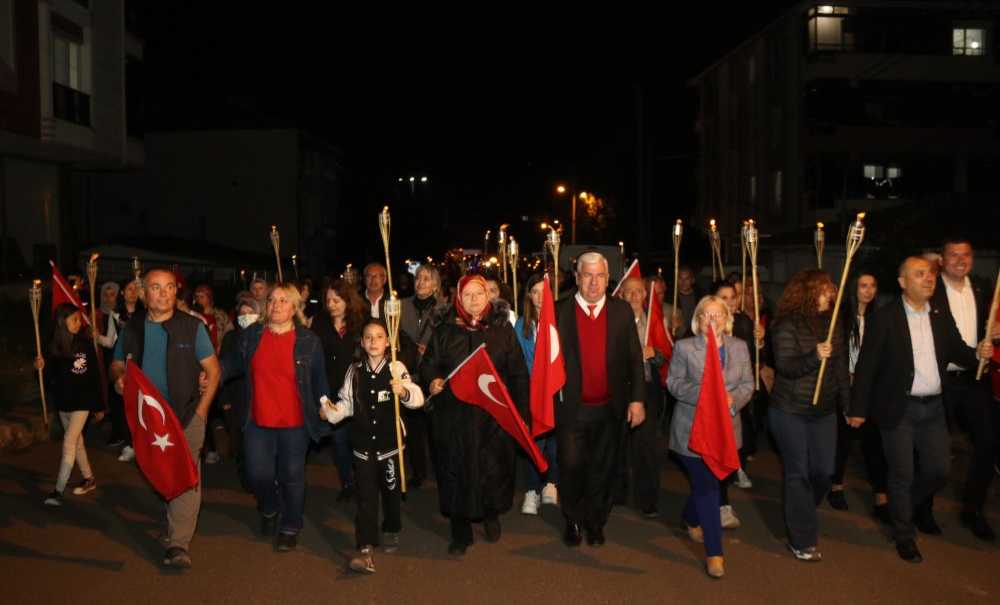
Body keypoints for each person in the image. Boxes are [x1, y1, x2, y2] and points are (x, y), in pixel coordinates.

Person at [849, 257, 992, 563]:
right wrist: (857, 408)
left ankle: (902, 508)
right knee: (902, 473)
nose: (928, 279)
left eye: (929, 274)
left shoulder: (940, 315)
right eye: (919, 274)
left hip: (934, 409)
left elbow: (959, 353)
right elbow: (866, 367)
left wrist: (979, 353)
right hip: (898, 409)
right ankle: (904, 535)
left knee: (938, 469)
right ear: (903, 282)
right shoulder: (885, 318)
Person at [111, 268, 221, 569]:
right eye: (156, 288)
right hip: (149, 421)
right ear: (144, 294)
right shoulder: (131, 328)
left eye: (170, 287)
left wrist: (201, 412)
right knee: (160, 470)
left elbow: (213, 371)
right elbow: (118, 363)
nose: (164, 293)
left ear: (176, 292)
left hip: (186, 414)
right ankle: (174, 523)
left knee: (186, 476)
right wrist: (119, 378)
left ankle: (178, 543)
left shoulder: (192, 327)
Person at [421, 274, 529, 556]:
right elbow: (429, 364)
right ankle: (460, 529)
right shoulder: (445, 330)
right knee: (456, 471)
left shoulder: (502, 330)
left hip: (491, 415)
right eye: (467, 295)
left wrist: (520, 411)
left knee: (492, 470)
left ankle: (490, 515)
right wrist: (432, 378)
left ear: (488, 297)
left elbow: (517, 372)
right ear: (458, 297)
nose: (473, 300)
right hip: (454, 416)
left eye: (478, 294)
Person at [219, 283, 332, 553]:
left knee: (292, 476)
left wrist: (326, 407)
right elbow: (231, 364)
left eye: (283, 301)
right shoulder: (251, 336)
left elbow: (319, 381)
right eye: (271, 300)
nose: (276, 305)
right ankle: (269, 507)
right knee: (257, 474)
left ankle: (290, 525)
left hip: (295, 424)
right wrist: (211, 374)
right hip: (258, 421)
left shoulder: (308, 341)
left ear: (294, 308)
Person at [554, 252, 645, 547]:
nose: (594, 283)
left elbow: (634, 360)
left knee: (602, 469)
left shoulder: (621, 312)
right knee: (571, 467)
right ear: (577, 277)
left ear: (608, 279)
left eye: (600, 276)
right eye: (588, 275)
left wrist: (637, 400)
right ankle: (573, 519)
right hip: (571, 409)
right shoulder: (558, 312)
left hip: (610, 408)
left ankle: (596, 521)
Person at [320, 318, 425, 574]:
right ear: (362, 343)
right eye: (368, 337)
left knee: (391, 492)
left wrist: (403, 392)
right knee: (365, 498)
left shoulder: (396, 367)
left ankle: (391, 526)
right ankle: (365, 545)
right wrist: (331, 413)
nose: (373, 341)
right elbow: (346, 403)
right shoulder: (354, 371)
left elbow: (418, 398)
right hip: (363, 446)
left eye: (379, 336)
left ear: (387, 342)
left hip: (390, 447)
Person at [667, 295, 754, 578]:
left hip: (726, 431)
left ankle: (691, 518)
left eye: (717, 315)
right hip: (692, 431)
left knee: (708, 483)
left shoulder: (740, 347)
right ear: (697, 320)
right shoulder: (684, 348)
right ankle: (715, 553)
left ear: (727, 320)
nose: (712, 320)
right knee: (708, 488)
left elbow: (747, 384)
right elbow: (673, 383)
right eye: (706, 315)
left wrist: (731, 399)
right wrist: (706, 395)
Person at [769, 269, 849, 562]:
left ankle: (800, 510)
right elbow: (786, 366)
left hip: (823, 411)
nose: (832, 294)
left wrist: (849, 404)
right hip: (789, 410)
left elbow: (840, 368)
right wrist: (814, 355)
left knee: (824, 473)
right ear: (810, 292)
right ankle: (801, 539)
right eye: (827, 289)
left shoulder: (833, 323)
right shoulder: (785, 325)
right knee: (798, 474)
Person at [929, 238, 997, 541]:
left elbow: (989, 328)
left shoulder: (983, 290)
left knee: (988, 443)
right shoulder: (931, 289)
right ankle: (923, 507)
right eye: (953, 254)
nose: (960, 259)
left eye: (966, 254)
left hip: (975, 378)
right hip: (940, 379)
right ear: (942, 259)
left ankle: (973, 510)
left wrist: (995, 332)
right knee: (934, 451)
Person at [827, 272, 889, 523]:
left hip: (872, 387)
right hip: (847, 384)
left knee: (874, 440)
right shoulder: (841, 318)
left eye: (873, 285)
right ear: (854, 289)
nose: (868, 290)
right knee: (842, 439)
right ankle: (836, 485)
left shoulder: (880, 318)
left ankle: (881, 494)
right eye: (863, 285)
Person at [37, 304, 105, 506]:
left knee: (69, 442)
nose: (79, 323)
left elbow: (95, 376)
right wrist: (39, 368)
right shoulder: (53, 346)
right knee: (77, 443)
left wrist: (99, 406)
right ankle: (89, 478)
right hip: (63, 403)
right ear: (62, 321)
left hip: (82, 402)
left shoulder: (85, 345)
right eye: (74, 319)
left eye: (79, 319)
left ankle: (57, 491)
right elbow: (49, 379)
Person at [310, 279, 365, 502]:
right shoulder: (320, 323)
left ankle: (365, 482)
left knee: (360, 441)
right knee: (340, 441)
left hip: (358, 391)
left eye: (337, 300)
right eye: (328, 300)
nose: (331, 304)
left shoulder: (361, 322)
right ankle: (347, 483)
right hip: (332, 390)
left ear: (348, 300)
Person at [616, 277, 666, 518]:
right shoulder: (613, 322)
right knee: (618, 444)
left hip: (647, 390)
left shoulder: (656, 321)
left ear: (646, 295)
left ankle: (648, 499)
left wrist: (654, 353)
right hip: (619, 390)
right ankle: (617, 493)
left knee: (646, 446)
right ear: (621, 295)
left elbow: (667, 355)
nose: (635, 297)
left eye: (639, 292)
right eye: (629, 292)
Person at [712, 281, 760, 522]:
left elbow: (748, 366)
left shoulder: (743, 323)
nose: (729, 302)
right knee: (714, 458)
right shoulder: (703, 326)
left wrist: (760, 342)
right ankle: (721, 505)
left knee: (730, 456)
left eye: (732, 297)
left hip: (733, 405)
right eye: (723, 297)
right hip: (709, 409)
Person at [514, 274, 559, 515]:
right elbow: (518, 362)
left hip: (558, 392)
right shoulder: (522, 325)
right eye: (535, 292)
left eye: (545, 291)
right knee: (535, 443)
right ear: (529, 296)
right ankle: (532, 489)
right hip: (533, 394)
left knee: (555, 442)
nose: (541, 297)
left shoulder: (560, 320)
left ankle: (551, 483)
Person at [399, 264, 446, 488]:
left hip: (433, 375)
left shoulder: (444, 309)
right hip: (409, 374)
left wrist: (430, 349)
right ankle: (418, 471)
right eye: (418, 278)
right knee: (415, 428)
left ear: (435, 284)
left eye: (427, 279)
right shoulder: (401, 306)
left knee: (436, 428)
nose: (421, 282)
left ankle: (441, 470)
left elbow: (448, 341)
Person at [217, 292, 261, 485]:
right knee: (239, 440)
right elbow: (222, 368)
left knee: (256, 442)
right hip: (236, 397)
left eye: (250, 312)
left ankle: (259, 477)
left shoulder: (263, 336)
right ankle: (245, 475)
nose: (245, 317)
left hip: (257, 397)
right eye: (242, 313)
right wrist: (224, 400)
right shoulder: (231, 338)